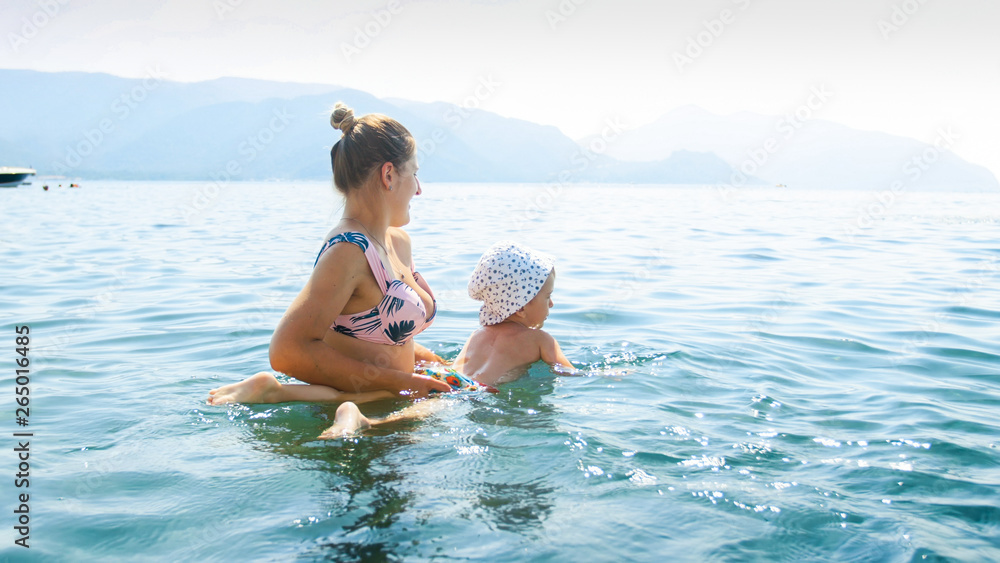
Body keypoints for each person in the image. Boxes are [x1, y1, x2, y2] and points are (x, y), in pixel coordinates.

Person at [207, 102, 453, 407]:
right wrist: (400, 383)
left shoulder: (397, 242)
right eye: (414, 174)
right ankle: (274, 393)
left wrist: (434, 364)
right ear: (388, 175)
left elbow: (383, 339)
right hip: (360, 414)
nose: (418, 190)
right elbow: (286, 351)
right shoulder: (348, 252)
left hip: (392, 399)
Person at [320, 241, 576, 438]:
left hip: (447, 379)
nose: (552, 303)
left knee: (421, 407)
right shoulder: (541, 340)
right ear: (520, 306)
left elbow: (455, 366)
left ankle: (344, 407)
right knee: (425, 413)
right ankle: (367, 422)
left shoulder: (478, 335)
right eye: (547, 296)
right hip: (472, 391)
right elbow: (568, 373)